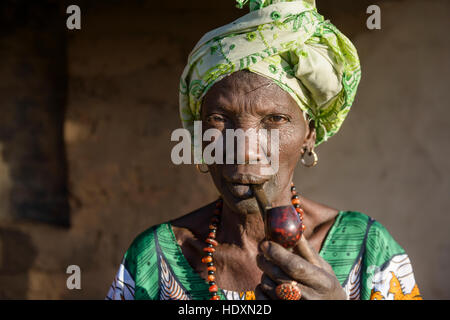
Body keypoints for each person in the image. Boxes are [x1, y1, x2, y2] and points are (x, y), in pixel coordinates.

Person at [106, 0, 422, 300]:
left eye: (274, 119)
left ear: (309, 135)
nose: (244, 150)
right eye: (220, 119)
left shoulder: (368, 251)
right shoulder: (152, 259)